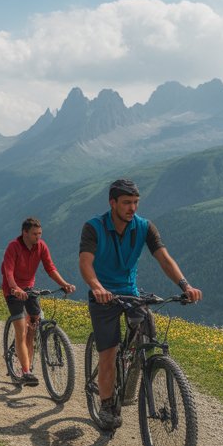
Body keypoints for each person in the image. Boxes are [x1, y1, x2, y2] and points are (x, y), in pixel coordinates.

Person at [78, 178, 202, 427]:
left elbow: (164, 259)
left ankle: (132, 380)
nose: (132, 208)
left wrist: (185, 285)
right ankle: (107, 405)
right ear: (112, 203)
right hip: (103, 296)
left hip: (130, 293)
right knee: (109, 353)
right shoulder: (94, 227)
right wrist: (98, 287)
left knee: (146, 332)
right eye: (126, 203)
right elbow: (85, 263)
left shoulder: (145, 227)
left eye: (135, 202)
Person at [0, 217, 76, 387]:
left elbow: (50, 268)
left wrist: (64, 284)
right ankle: (26, 371)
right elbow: (9, 272)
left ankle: (27, 361)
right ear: (24, 233)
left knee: (33, 326)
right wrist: (15, 289)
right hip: (12, 290)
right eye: (35, 234)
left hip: (29, 289)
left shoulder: (41, 246)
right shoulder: (13, 247)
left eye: (40, 234)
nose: (38, 237)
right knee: (21, 328)